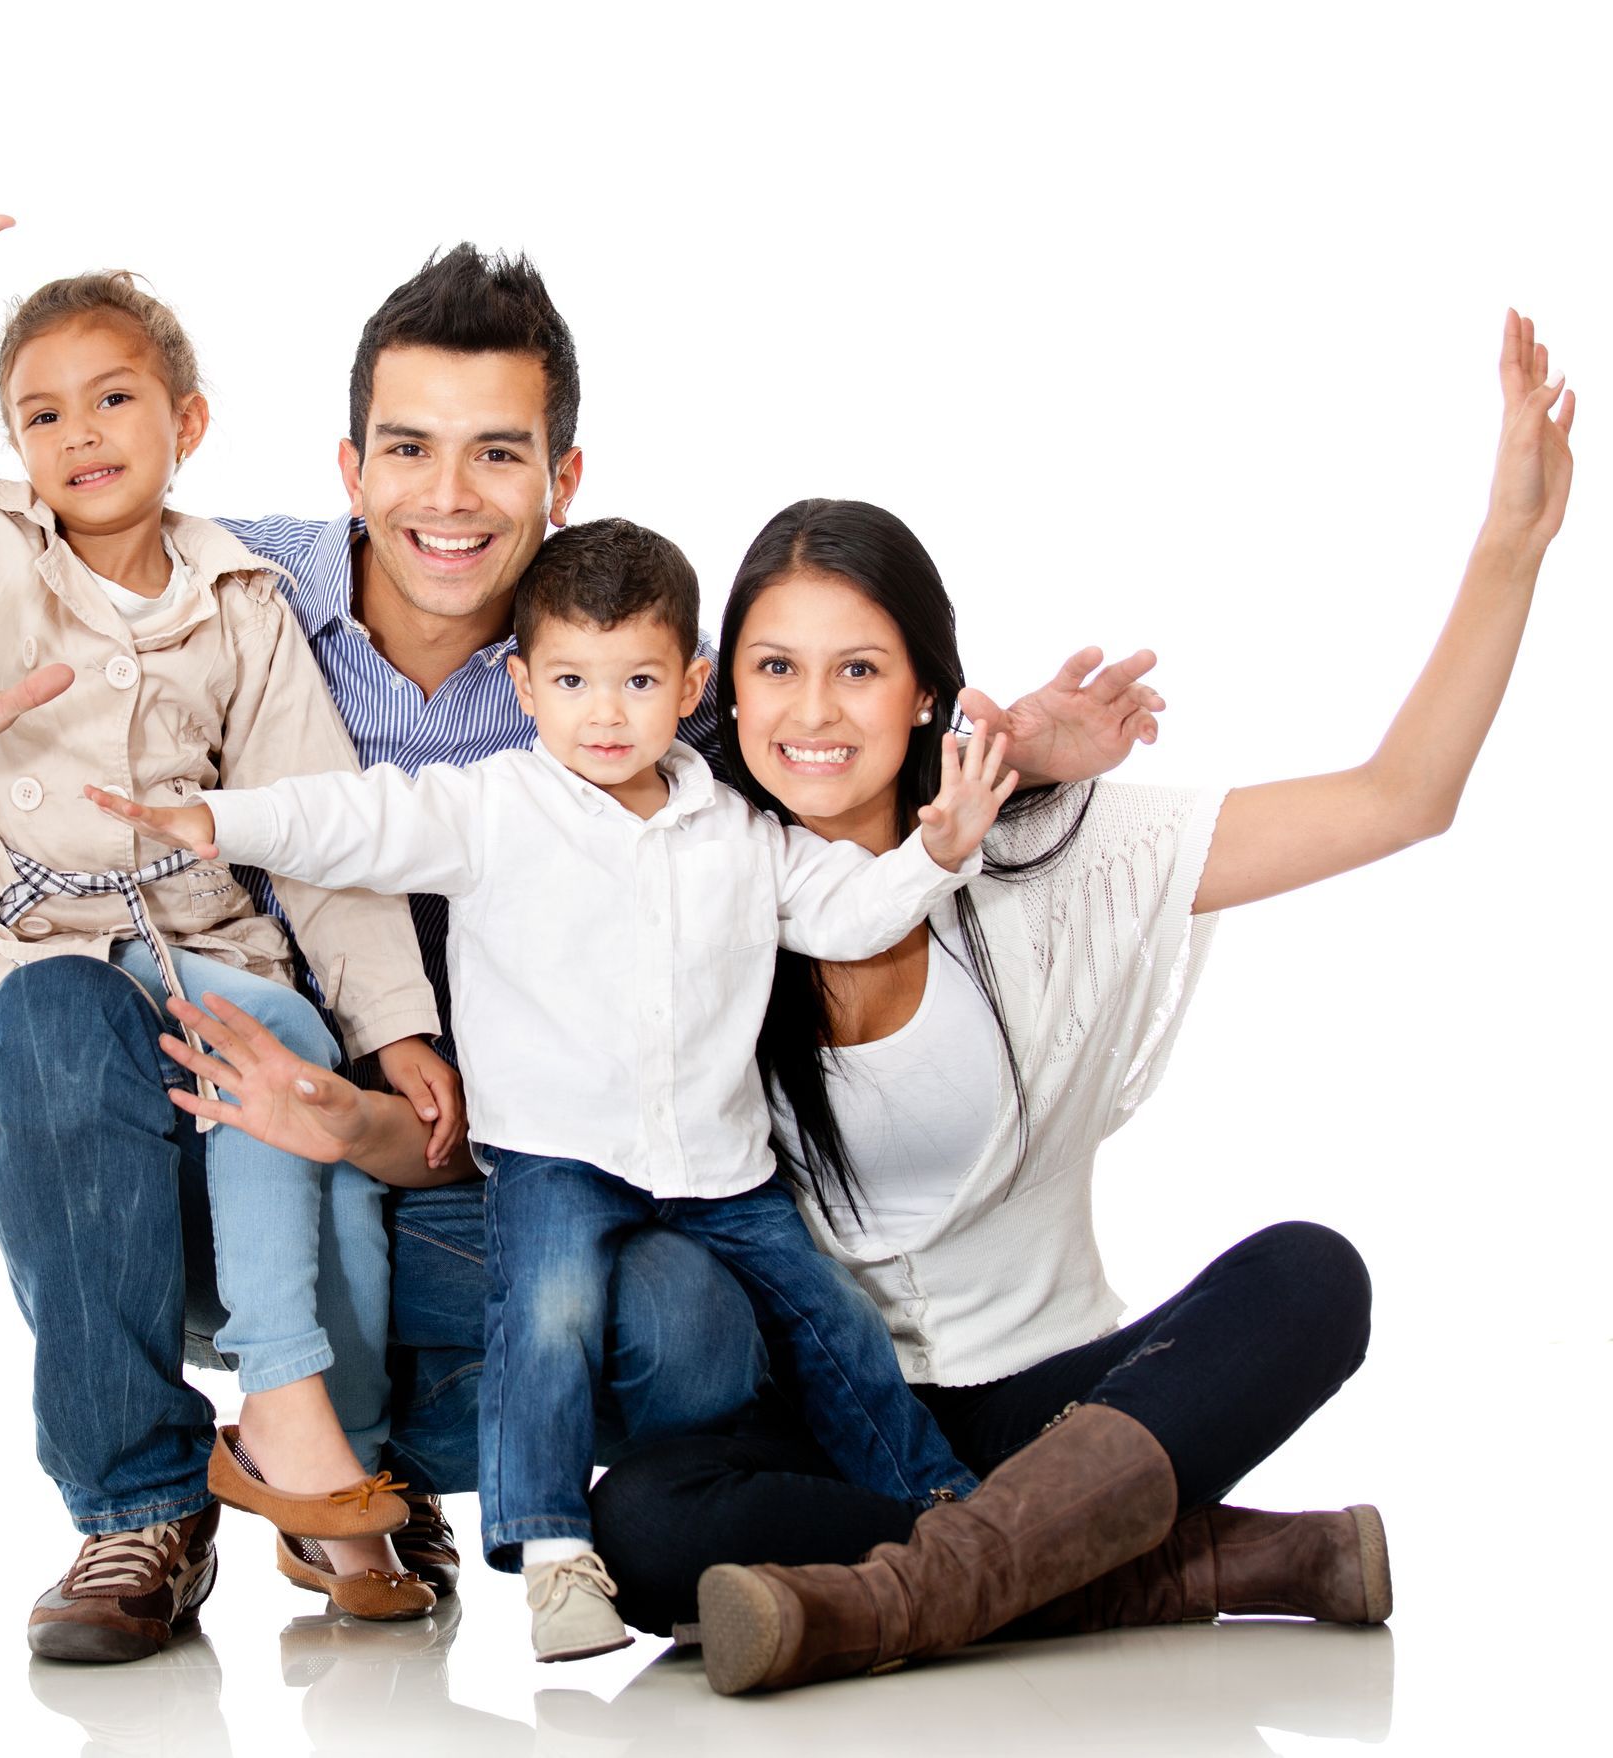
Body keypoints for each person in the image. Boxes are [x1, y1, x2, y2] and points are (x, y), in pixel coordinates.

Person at [0, 138, 1160, 1658]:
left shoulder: (624, 691)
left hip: (478, 1196)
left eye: (499, 454)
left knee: (693, 1322)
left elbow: (816, 778)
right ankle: (140, 1504)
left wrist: (995, 758)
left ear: (562, 476)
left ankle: (367, 1475)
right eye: (407, 447)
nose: (447, 498)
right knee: (53, 1008)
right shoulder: (216, 590)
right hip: (199, 1178)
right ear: (348, 465)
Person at [573, 312, 1574, 1694]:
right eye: (775, 666)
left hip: (1060, 1405)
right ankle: (1187, 1564)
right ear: (721, 693)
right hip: (831, 1416)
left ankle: (923, 1588)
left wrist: (1509, 546)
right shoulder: (679, 872)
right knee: (636, 1517)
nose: (814, 709)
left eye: (859, 667)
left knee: (1310, 1276)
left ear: (929, 689)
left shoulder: (1057, 856)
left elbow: (1400, 799)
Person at [0, 124, 478, 1645]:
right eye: (41, 413)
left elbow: (323, 830)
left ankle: (323, 1464)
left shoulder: (240, 597)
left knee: (306, 1104)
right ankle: (136, 1509)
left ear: (187, 419)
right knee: (59, 1011)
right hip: (32, 964)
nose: (80, 434)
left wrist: (396, 1030)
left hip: (214, 962)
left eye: (113, 399)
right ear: (11, 443)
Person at [86, 516, 1021, 1658]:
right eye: (573, 681)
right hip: (555, 1156)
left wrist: (939, 852)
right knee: (548, 1319)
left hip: (719, 1165)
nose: (605, 713)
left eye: (636, 681)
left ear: (691, 686)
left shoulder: (735, 828)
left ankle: (944, 1506)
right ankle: (554, 1556)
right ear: (524, 686)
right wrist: (213, 822)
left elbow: (845, 910)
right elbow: (352, 818)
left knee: (833, 1326)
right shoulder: (493, 807)